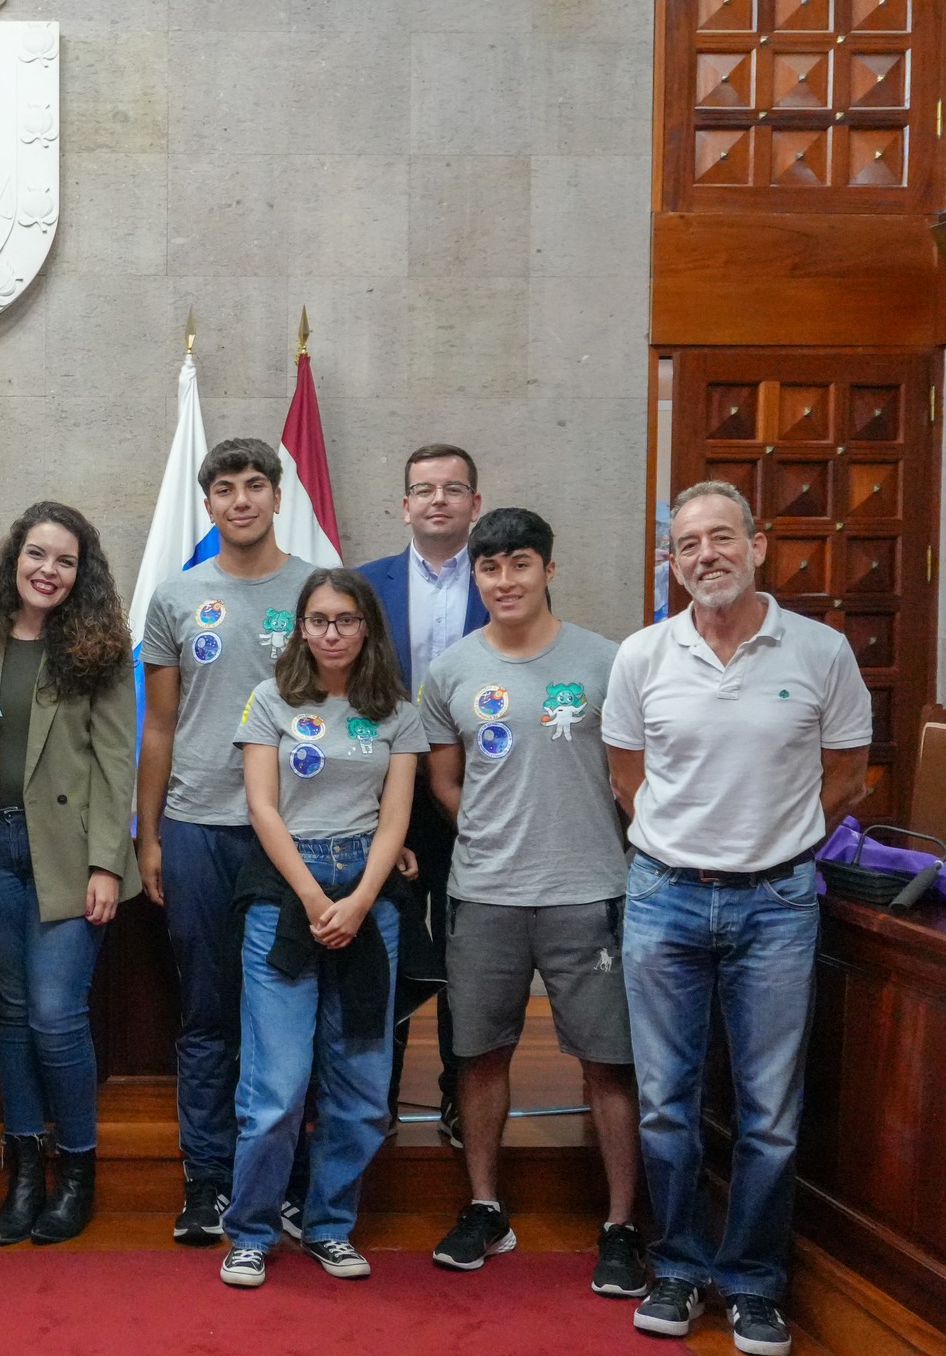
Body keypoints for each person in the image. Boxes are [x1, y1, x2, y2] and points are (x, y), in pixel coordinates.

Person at [605, 482, 870, 1356]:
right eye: (688, 544)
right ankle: (678, 1264)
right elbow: (626, 777)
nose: (706, 554)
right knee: (665, 1104)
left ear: (758, 546)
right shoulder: (644, 654)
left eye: (723, 538)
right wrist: (690, 845)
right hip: (664, 896)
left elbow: (847, 773)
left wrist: (771, 842)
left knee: (769, 1109)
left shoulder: (821, 651)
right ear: (671, 561)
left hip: (778, 902)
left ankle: (755, 1280)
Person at [418, 509, 647, 1298]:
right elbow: (444, 780)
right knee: (478, 1053)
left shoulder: (608, 661)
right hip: (484, 892)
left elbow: (633, 776)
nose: (505, 580)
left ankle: (621, 1222)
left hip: (590, 889)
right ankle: (485, 1206)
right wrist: (490, 834)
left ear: (548, 569)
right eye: (489, 568)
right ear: (474, 577)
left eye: (519, 564)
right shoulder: (449, 670)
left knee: (609, 1061)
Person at [220, 569, 428, 1289]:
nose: (331, 632)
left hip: (369, 895)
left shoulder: (398, 711)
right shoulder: (270, 701)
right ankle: (249, 1229)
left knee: (364, 1087)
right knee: (277, 1086)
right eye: (318, 620)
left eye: (344, 619)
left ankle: (327, 1223)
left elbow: (396, 816)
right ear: (300, 628)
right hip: (287, 890)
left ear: (366, 626)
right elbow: (263, 808)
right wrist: (314, 897)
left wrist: (362, 898)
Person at [136, 437, 317, 1245]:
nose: (240, 500)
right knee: (208, 1014)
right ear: (207, 504)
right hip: (199, 827)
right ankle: (208, 1181)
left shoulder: (318, 589)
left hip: (298, 831)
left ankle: (278, 1181)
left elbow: (349, 713)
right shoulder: (177, 597)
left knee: (282, 1014)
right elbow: (162, 725)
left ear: (277, 496)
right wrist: (149, 837)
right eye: (225, 489)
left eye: (255, 485)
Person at [0, 502, 139, 1246]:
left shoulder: (100, 646)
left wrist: (105, 863)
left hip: (67, 852)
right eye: (36, 554)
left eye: (64, 560)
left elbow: (116, 760)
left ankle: (77, 1171)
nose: (47, 570)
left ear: (81, 570)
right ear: (14, 556)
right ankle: (24, 1169)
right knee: (9, 1010)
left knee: (55, 1015)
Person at [357, 442, 488, 1143]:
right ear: (403, 505)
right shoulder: (364, 583)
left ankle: (458, 1094)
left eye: (453, 488)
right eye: (424, 489)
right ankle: (376, 1098)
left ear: (475, 503)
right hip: (387, 798)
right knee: (393, 948)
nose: (438, 499)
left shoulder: (502, 579)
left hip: (476, 795)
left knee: (467, 952)